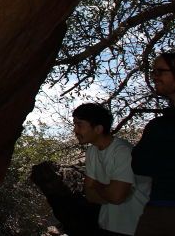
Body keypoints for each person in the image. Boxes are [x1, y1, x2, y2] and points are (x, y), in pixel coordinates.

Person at [71, 103, 151, 235]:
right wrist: (108, 189)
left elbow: (116, 197)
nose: (75, 130)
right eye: (75, 125)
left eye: (79, 125)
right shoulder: (92, 151)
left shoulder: (122, 152)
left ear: (98, 129)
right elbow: (90, 194)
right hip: (108, 225)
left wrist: (97, 185)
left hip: (135, 226)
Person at [132, 51, 175, 236]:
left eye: (160, 71)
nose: (154, 77)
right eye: (153, 72)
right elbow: (139, 164)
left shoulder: (158, 127)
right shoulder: (158, 124)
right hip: (158, 207)